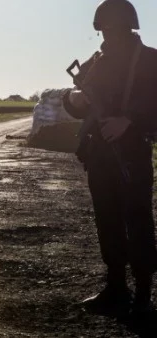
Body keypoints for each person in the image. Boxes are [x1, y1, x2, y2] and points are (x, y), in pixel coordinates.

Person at [63, 0, 157, 315]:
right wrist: (73, 99)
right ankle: (115, 286)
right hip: (100, 152)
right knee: (107, 218)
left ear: (129, 27)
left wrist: (129, 119)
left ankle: (144, 292)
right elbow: (78, 103)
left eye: (114, 28)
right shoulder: (96, 61)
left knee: (138, 219)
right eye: (103, 29)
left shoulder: (149, 59)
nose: (108, 35)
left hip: (132, 152)